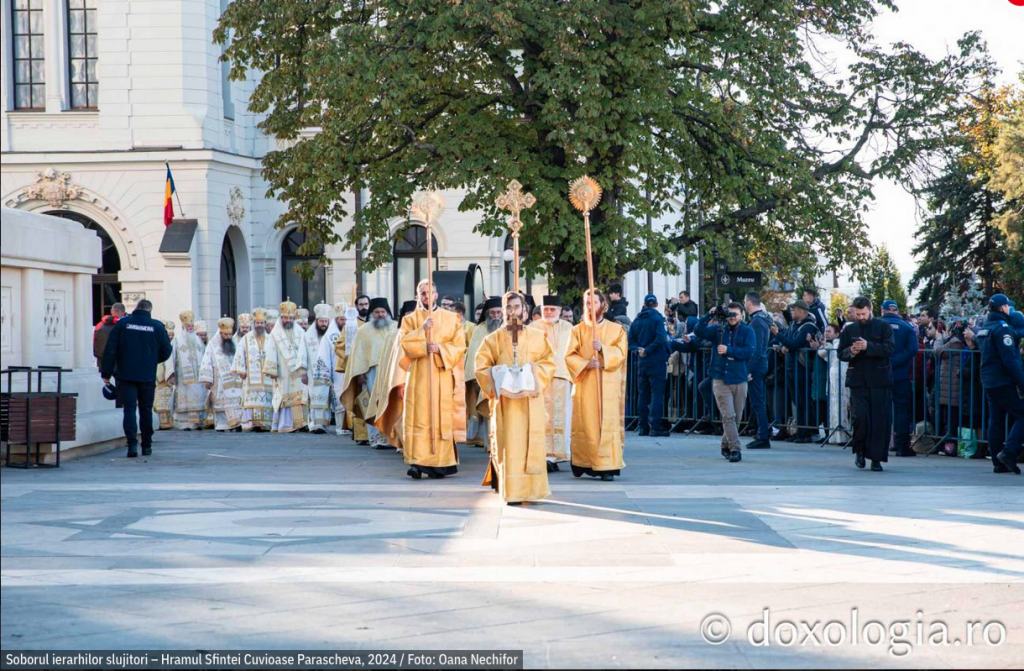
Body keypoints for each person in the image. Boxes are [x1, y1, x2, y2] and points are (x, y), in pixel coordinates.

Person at [476, 292, 556, 504]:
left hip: (530, 402)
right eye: (508, 307)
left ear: (525, 310)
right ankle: (512, 490)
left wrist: (530, 371)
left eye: (516, 307)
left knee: (532, 443)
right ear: (503, 311)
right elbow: (481, 368)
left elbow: (549, 363)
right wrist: (499, 373)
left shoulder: (538, 336)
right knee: (509, 444)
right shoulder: (491, 339)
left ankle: (533, 490)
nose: (512, 311)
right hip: (507, 405)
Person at [400, 279, 468, 479]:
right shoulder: (410, 319)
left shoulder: (451, 318)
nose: (426, 297)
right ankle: (416, 461)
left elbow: (459, 345)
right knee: (418, 416)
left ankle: (440, 462)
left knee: (440, 417)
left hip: (441, 374)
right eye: (422, 293)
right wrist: (422, 332)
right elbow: (403, 343)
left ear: (436, 295)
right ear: (417, 295)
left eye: (430, 293)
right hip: (419, 375)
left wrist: (439, 349)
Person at [565, 289, 628, 481]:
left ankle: (607, 465)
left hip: (608, 383)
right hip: (586, 384)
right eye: (587, 303)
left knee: (607, 423)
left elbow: (621, 353)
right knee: (587, 423)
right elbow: (569, 355)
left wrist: (603, 351)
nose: (591, 306)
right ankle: (583, 461)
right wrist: (585, 363)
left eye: (594, 302)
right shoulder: (577, 330)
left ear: (604, 305)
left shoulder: (616, 329)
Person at [100, 299, 173, 458]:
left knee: (129, 410)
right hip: (146, 375)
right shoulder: (157, 326)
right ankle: (146, 445)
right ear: (149, 310)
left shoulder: (123, 324)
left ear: (136, 308)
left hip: (126, 375)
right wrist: (152, 359)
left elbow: (110, 349)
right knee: (146, 410)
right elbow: (167, 351)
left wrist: (106, 373)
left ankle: (132, 444)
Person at [838, 296, 895, 472]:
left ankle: (876, 459)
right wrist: (851, 351)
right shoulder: (850, 329)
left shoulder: (884, 327)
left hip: (879, 380)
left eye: (863, 313)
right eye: (858, 314)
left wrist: (868, 346)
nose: (861, 317)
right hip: (858, 381)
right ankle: (859, 451)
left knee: (879, 420)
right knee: (860, 418)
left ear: (871, 310)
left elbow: (889, 348)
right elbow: (841, 353)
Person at [695, 303, 755, 462]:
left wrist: (729, 350)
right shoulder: (718, 330)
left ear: (742, 314)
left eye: (735, 314)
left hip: (739, 378)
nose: (732, 317)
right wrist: (709, 314)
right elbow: (698, 330)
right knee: (728, 415)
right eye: (730, 314)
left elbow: (749, 351)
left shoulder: (748, 331)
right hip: (720, 378)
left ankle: (724, 445)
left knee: (736, 417)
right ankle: (735, 449)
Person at [976, 294, 1024, 475]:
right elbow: (1010, 360)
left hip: (989, 380)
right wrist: (1022, 381)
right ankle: (1008, 453)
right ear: (1003, 308)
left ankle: (998, 462)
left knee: (996, 420)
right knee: (1022, 414)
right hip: (1003, 380)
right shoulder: (1003, 328)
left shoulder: (986, 326)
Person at [340, 298, 396, 448]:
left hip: (392, 371)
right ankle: (376, 438)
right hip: (372, 372)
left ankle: (392, 437)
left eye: (383, 312)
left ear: (388, 312)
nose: (380, 315)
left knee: (392, 403)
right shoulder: (364, 330)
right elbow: (357, 353)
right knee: (374, 404)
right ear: (372, 313)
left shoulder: (396, 327)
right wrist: (359, 373)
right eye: (376, 312)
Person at [530, 295, 575, 467]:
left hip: (562, 376)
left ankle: (559, 454)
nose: (549, 312)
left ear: (559, 311)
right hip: (540, 377)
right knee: (543, 416)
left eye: (552, 309)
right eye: (546, 309)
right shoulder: (533, 327)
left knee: (562, 417)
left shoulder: (569, 328)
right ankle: (544, 455)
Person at [369, 300, 417, 450]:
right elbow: (389, 362)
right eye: (407, 315)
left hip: (420, 378)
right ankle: (401, 442)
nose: (410, 319)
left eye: (413, 315)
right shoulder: (394, 335)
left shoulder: (427, 333)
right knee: (400, 412)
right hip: (399, 378)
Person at [773, 299, 820, 442]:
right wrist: (781, 345)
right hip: (791, 367)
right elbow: (787, 339)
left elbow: (793, 344)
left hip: (801, 368)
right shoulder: (794, 324)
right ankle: (800, 431)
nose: (791, 312)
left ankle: (807, 432)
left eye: (793, 310)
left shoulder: (808, 326)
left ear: (801, 311)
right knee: (796, 401)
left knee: (804, 400)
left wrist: (777, 334)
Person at [879, 299, 919, 457]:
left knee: (880, 410)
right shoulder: (906, 327)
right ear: (896, 311)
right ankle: (902, 445)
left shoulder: (875, 325)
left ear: (882, 311)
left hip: (879, 374)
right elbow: (913, 349)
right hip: (901, 374)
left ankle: (879, 445)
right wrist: (895, 361)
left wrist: (884, 361)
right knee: (902, 410)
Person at [628, 293, 671, 437]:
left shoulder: (636, 320)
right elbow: (661, 338)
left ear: (645, 305)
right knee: (657, 393)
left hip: (642, 361)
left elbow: (630, 341)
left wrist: (640, 350)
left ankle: (643, 426)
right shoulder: (658, 319)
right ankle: (656, 427)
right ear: (656, 304)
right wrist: (648, 350)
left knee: (643, 394)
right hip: (656, 359)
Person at [263, 300, 308, 433]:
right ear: (281, 317)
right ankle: (286, 424)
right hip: (283, 371)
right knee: (285, 395)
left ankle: (301, 423)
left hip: (298, 371)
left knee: (300, 396)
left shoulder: (300, 331)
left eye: (291, 318)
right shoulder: (275, 334)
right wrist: (272, 370)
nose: (288, 320)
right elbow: (270, 351)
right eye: (286, 318)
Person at [465, 297, 503, 448]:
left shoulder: (508, 328)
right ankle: (490, 445)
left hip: (503, 376)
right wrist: (476, 377)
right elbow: (474, 354)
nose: (495, 316)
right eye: (492, 313)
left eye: (498, 313)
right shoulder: (479, 329)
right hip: (485, 376)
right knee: (487, 411)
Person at [311, 302, 354, 435]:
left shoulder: (353, 331)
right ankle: (341, 427)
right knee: (340, 398)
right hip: (337, 373)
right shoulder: (329, 336)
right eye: (342, 319)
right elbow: (323, 356)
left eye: (346, 319)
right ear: (336, 319)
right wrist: (325, 375)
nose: (345, 322)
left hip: (352, 370)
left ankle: (354, 426)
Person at [231, 308, 274, 431]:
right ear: (254, 324)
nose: (259, 325)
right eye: (257, 323)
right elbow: (239, 354)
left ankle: (265, 423)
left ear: (264, 324)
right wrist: (241, 370)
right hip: (250, 376)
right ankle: (251, 424)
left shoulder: (270, 338)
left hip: (267, 376)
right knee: (251, 400)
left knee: (266, 399)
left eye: (261, 323)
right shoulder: (246, 338)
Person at [199, 317, 244, 431]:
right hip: (219, 381)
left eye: (229, 334)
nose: (228, 337)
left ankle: (236, 423)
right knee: (221, 404)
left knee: (236, 402)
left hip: (235, 380)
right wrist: (207, 379)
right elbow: (206, 361)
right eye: (225, 335)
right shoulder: (212, 345)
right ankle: (222, 425)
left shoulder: (235, 342)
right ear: (220, 333)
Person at [168, 310, 208, 430]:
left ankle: (197, 422)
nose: (190, 328)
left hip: (199, 378)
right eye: (188, 326)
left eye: (191, 326)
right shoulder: (177, 340)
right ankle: (184, 423)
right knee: (185, 401)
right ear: (183, 326)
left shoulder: (198, 341)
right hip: (183, 378)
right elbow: (170, 358)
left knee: (198, 399)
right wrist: (171, 374)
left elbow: (205, 356)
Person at [744, 291, 773, 449]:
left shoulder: (756, 322)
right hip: (760, 363)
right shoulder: (762, 320)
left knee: (757, 401)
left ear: (749, 302)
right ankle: (762, 432)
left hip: (757, 365)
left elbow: (755, 348)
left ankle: (763, 435)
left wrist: (749, 369)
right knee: (758, 400)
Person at [303, 303, 335, 433]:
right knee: (315, 397)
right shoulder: (308, 335)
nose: (323, 324)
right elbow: (302, 353)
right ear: (316, 321)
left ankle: (325, 423)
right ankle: (315, 424)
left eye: (325, 321)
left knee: (327, 398)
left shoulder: (332, 335)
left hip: (329, 372)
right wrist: (303, 372)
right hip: (313, 373)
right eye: (321, 321)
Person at [154, 320, 176, 430]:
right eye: (169, 335)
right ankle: (159, 422)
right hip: (159, 378)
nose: (171, 337)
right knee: (159, 402)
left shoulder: (173, 344)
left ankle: (168, 422)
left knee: (167, 401)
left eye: (172, 335)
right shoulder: (159, 343)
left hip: (167, 380)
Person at [93, 302, 126, 368]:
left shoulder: (99, 325)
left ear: (111, 311)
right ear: (124, 313)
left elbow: (94, 342)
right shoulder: (125, 325)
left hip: (102, 361)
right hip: (120, 362)